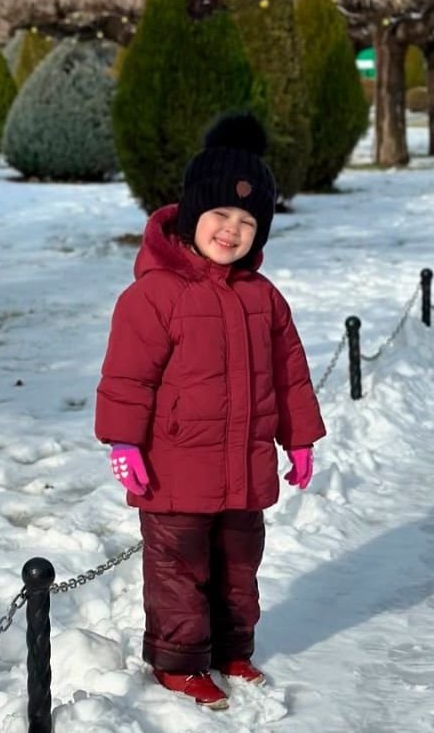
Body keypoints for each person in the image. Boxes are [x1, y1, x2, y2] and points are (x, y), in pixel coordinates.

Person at [95, 112, 326, 710]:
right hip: (175, 468)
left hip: (244, 466)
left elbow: (289, 375)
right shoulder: (154, 294)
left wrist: (299, 441)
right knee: (179, 569)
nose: (231, 230)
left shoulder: (263, 297)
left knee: (239, 564)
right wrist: (124, 444)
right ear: (193, 215)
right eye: (220, 216)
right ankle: (178, 661)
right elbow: (128, 377)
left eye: (248, 221)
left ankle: (232, 649)